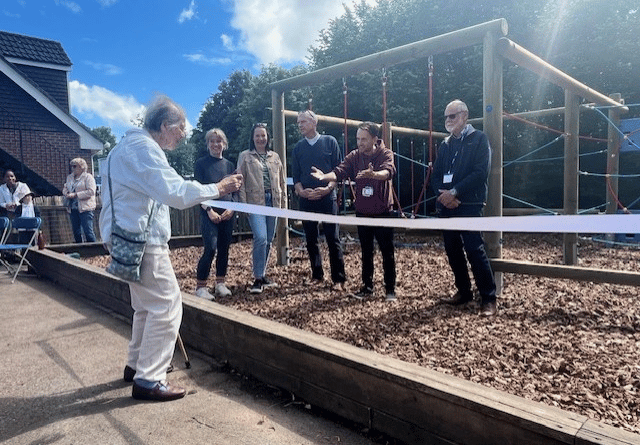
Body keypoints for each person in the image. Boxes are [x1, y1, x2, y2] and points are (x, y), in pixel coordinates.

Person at [99, 95, 243, 401]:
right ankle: (149, 379)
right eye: (180, 129)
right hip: (142, 239)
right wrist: (219, 188)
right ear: (165, 125)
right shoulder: (143, 149)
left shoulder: (120, 149)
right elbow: (175, 192)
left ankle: (137, 364)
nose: (183, 135)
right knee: (167, 305)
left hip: (124, 235)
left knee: (145, 306)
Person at [311, 122, 397, 301]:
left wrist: (375, 175)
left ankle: (390, 289)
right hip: (363, 212)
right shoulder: (354, 156)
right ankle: (367, 286)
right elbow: (340, 171)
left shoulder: (385, 153)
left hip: (383, 212)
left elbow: (388, 172)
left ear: (374, 139)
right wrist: (324, 177)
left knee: (387, 252)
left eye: (364, 139)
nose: (360, 142)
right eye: (358, 139)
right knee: (366, 251)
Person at [431, 99, 497, 317]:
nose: (448, 121)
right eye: (446, 117)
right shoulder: (445, 144)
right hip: (447, 204)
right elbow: (436, 175)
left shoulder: (479, 139)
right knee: (452, 250)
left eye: (453, 116)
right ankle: (464, 291)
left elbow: (481, 172)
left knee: (474, 249)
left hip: (469, 203)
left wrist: (455, 192)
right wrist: (443, 196)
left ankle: (488, 297)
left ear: (465, 116)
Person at [291, 110, 346, 290]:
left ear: (314, 123)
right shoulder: (298, 148)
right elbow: (296, 177)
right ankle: (317, 275)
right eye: (298, 122)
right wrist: (301, 192)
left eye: (303, 122)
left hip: (327, 197)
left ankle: (338, 279)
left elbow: (339, 171)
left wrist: (327, 189)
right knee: (311, 239)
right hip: (307, 199)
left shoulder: (330, 142)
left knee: (332, 238)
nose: (300, 125)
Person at [237, 123, 287, 294]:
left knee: (268, 240)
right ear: (253, 137)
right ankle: (257, 277)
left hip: (273, 200)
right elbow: (240, 181)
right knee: (260, 237)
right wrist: (243, 205)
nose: (260, 138)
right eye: (257, 135)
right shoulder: (245, 156)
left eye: (263, 135)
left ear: (268, 138)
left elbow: (282, 180)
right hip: (254, 202)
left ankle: (263, 274)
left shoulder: (275, 157)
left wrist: (283, 203)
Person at [193, 128, 236, 300]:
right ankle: (201, 287)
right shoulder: (201, 164)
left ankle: (220, 283)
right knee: (210, 248)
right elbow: (198, 191)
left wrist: (231, 208)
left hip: (227, 213)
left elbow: (234, 190)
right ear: (208, 144)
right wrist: (209, 211)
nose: (215, 144)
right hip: (208, 213)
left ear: (224, 144)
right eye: (212, 141)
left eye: (219, 141)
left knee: (224, 248)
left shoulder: (229, 165)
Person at [63, 158, 97, 243]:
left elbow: (91, 191)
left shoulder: (88, 177)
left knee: (88, 232)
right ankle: (81, 252)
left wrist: (76, 195)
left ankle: (94, 251)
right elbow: (65, 187)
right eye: (71, 166)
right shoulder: (70, 177)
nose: (72, 168)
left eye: (74, 166)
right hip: (73, 208)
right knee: (76, 232)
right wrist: (66, 193)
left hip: (85, 208)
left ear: (81, 167)